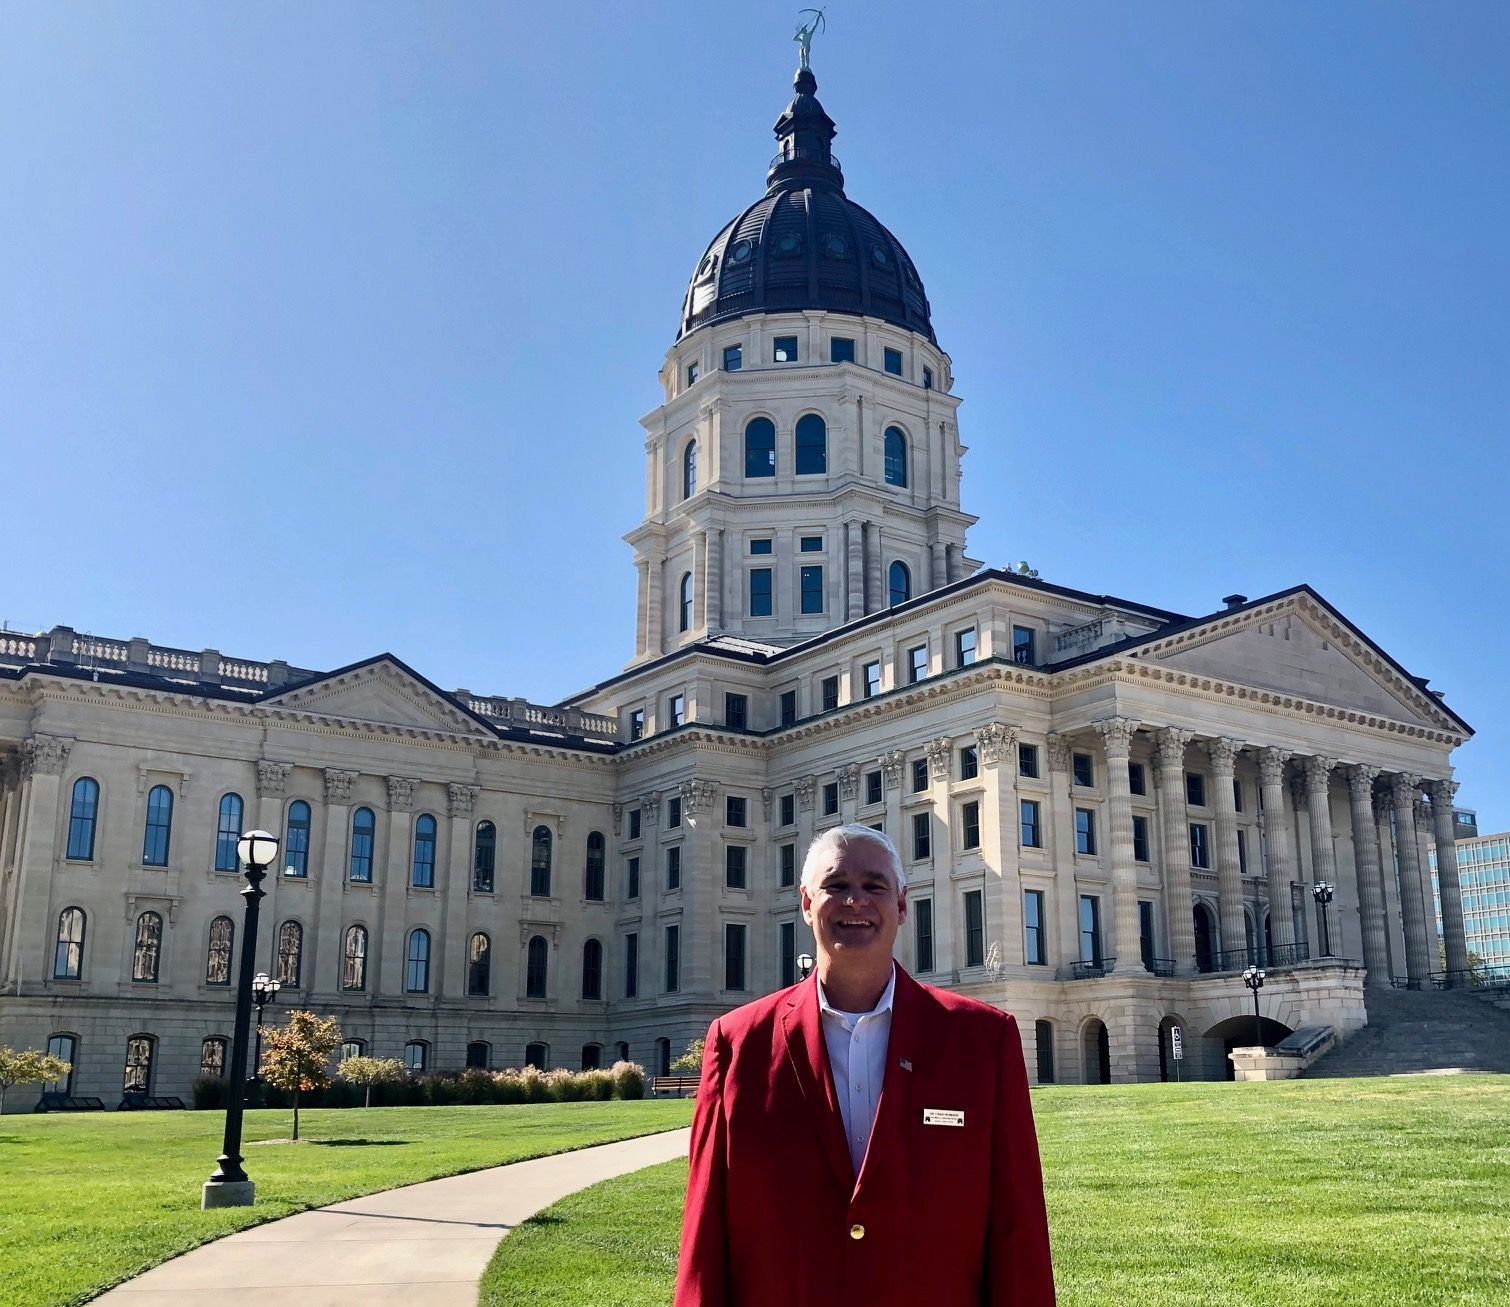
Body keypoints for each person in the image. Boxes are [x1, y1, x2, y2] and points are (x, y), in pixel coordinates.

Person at [675, 823, 1055, 1306]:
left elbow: (1017, 1228)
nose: (856, 900)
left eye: (874, 885)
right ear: (807, 902)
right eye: (836, 886)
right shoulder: (739, 1043)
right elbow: (706, 1231)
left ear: (901, 904)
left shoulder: (982, 1040)